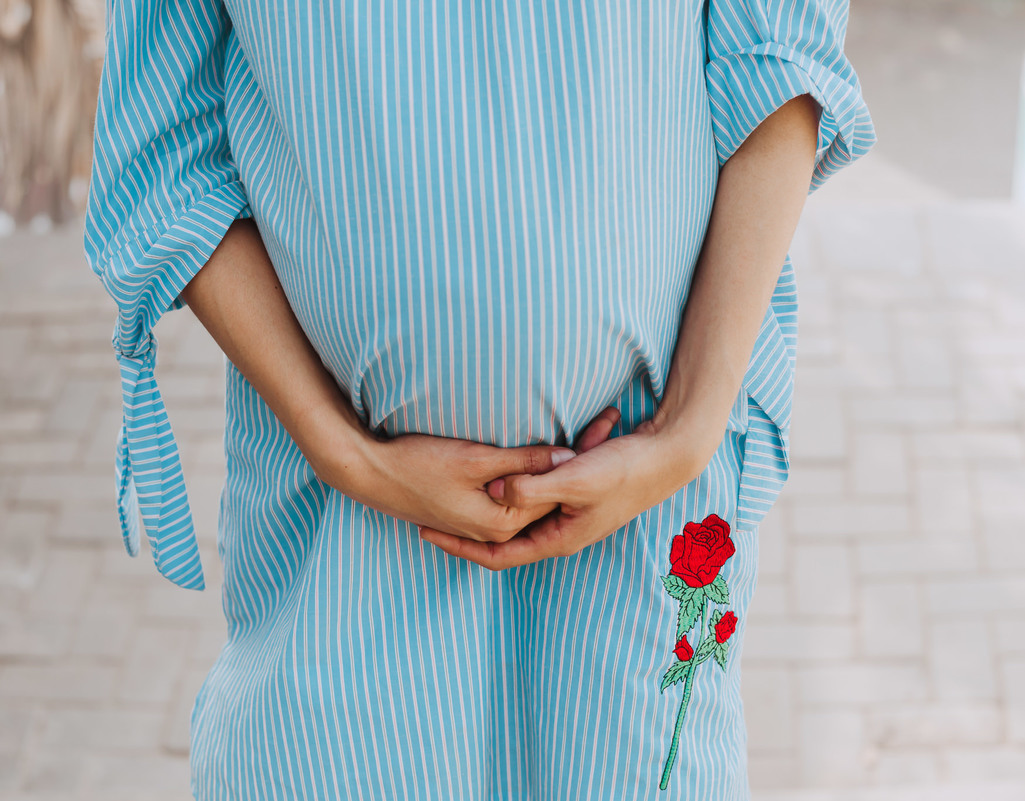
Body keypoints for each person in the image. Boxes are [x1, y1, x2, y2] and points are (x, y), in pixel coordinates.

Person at [84, 0, 875, 797]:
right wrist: (343, 451)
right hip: (339, 522)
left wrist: (688, 429)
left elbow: (781, 50)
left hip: (643, 497)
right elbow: (163, 144)